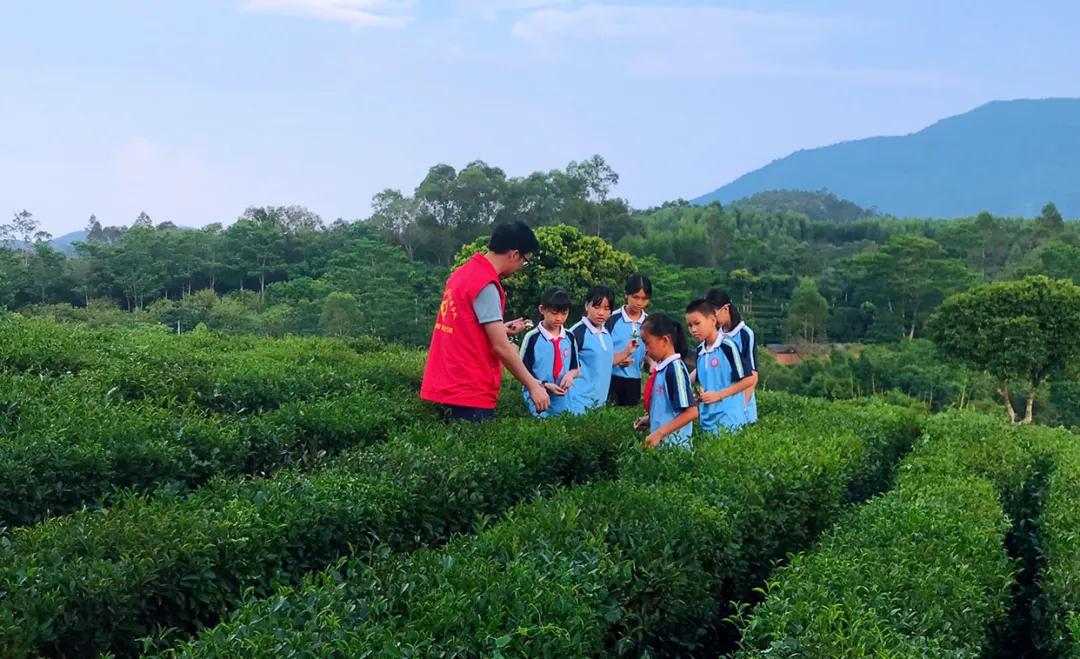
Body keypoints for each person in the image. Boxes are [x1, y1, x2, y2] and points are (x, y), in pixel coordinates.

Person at [420, 221, 550, 422]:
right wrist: (533, 385)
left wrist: (501, 329)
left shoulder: (462, 274)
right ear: (514, 254)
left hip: (446, 384)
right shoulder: (486, 284)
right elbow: (501, 347)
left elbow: (461, 325)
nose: (521, 267)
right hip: (469, 391)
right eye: (525, 261)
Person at [685, 299, 755, 433]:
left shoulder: (728, 346)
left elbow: (749, 379)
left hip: (729, 421)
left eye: (697, 323)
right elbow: (705, 383)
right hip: (706, 421)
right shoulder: (700, 351)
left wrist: (719, 395)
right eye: (689, 325)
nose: (693, 329)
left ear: (712, 320)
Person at [633, 314, 697, 449]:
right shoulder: (663, 369)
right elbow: (668, 409)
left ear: (664, 340)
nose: (645, 349)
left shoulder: (675, 370)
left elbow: (691, 412)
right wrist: (650, 420)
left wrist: (659, 433)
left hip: (675, 450)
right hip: (662, 448)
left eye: (647, 343)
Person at [568, 285, 634, 414]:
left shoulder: (606, 333)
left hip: (598, 404)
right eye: (596, 307)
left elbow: (607, 361)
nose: (601, 313)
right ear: (586, 306)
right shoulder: (576, 333)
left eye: (606, 308)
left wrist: (627, 352)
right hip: (576, 403)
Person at [519, 287, 580, 418]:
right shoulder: (532, 338)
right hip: (538, 399)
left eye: (564, 314)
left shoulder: (569, 337)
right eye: (554, 313)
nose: (559, 318)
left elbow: (575, 368)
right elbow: (521, 372)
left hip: (564, 400)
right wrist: (544, 385)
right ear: (542, 309)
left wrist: (569, 376)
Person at [705, 288, 759, 424]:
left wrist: (741, 408)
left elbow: (752, 376)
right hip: (719, 407)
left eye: (714, 314)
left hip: (741, 409)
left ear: (725, 309)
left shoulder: (745, 334)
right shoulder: (716, 334)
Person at [607, 273, 652, 406]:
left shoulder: (649, 323)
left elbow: (650, 351)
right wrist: (618, 359)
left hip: (635, 379)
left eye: (644, 299)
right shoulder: (611, 319)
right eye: (635, 297)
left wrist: (651, 363)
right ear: (626, 294)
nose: (639, 303)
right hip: (610, 378)